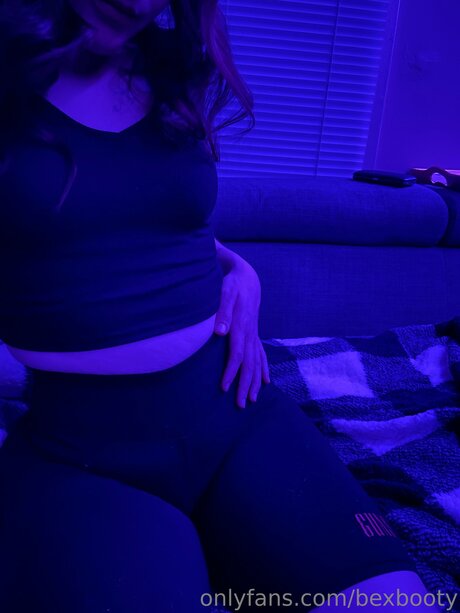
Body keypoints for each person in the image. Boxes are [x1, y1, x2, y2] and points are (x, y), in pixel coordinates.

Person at [0, 1, 442, 611]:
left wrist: (240, 268)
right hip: (82, 453)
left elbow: (145, 219)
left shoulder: (169, 70)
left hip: (235, 408)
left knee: (397, 604)